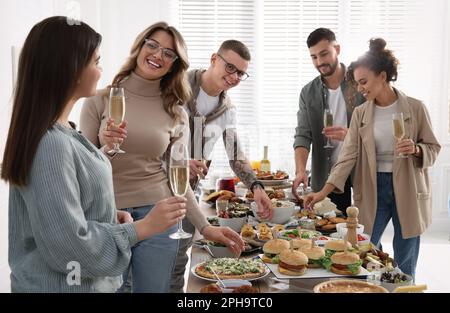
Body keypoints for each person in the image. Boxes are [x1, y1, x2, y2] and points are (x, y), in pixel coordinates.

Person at [1, 16, 188, 293]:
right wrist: (142, 228)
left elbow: (65, 210)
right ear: (72, 69)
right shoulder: (51, 145)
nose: (101, 71)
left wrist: (108, 215)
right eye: (96, 61)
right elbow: (70, 247)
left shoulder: (63, 133)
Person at [80, 22, 245, 293]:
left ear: (174, 64)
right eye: (152, 45)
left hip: (159, 214)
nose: (158, 56)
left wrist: (205, 228)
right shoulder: (99, 99)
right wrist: (105, 149)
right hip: (107, 214)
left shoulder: (176, 111)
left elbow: (177, 177)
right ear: (139, 46)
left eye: (169, 53)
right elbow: (82, 171)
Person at [304, 38, 441, 278]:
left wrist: (417, 149)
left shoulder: (415, 108)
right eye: (357, 84)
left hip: (408, 188)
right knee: (362, 248)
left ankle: (404, 288)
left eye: (364, 82)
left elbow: (433, 147)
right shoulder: (360, 113)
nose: (360, 89)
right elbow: (347, 157)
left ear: (383, 75)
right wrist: (322, 192)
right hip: (372, 186)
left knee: (405, 255)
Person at [170, 39, 274, 292]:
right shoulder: (176, 84)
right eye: (230, 67)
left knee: (177, 263)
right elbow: (153, 134)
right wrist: (181, 161)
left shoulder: (228, 109)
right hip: (155, 187)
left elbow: (235, 153)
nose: (234, 76)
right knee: (146, 264)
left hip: (188, 194)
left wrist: (257, 187)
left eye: (240, 73)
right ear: (214, 59)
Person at [292, 28, 365, 213]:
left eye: (324, 54)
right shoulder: (308, 92)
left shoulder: (361, 84)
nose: (319, 62)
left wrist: (350, 135)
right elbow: (303, 134)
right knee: (330, 234)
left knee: (365, 234)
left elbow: (378, 128)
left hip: (360, 174)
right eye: (314, 57)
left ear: (337, 49)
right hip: (326, 177)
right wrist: (300, 170)